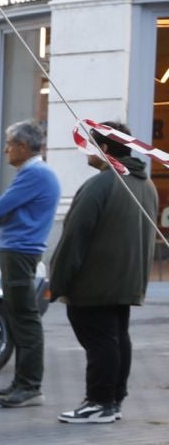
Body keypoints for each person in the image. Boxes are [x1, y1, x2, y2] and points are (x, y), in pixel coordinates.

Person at [48, 121, 157, 425]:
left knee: (100, 341)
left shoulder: (102, 184)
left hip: (94, 282)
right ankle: (113, 400)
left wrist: (56, 284)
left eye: (89, 144)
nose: (85, 150)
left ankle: (98, 402)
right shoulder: (144, 184)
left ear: (104, 149)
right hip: (127, 280)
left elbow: (74, 238)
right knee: (117, 338)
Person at [0, 120, 62, 409]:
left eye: (9, 144)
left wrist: (5, 214)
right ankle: (22, 382)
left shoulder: (34, 174)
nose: (5, 150)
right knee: (19, 317)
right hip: (19, 250)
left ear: (21, 146)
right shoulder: (35, 173)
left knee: (25, 318)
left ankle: (30, 386)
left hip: (20, 251)